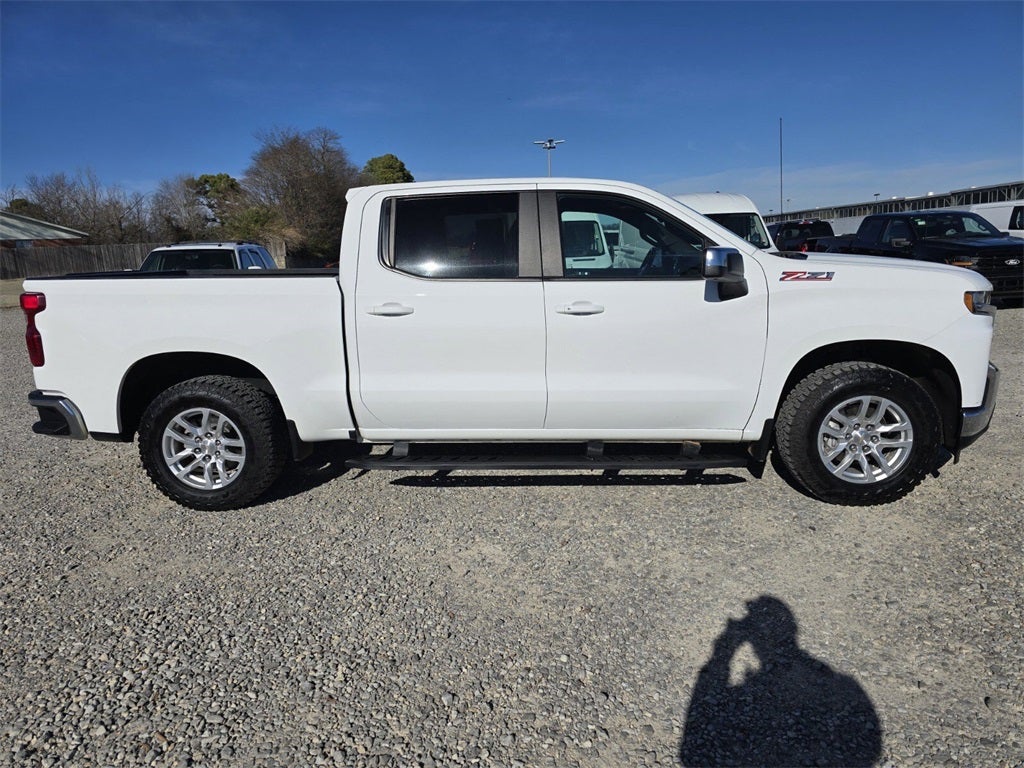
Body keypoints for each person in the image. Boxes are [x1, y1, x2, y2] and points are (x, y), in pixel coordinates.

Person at [680, 596, 881, 767]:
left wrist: (722, 651)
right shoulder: (842, 684)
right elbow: (869, 747)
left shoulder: (840, 683)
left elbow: (691, 747)